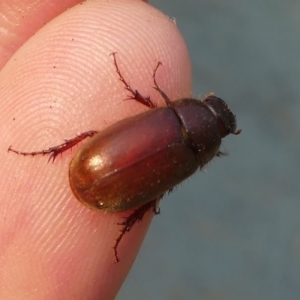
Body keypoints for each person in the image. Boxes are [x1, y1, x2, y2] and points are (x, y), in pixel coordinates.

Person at [1, 0, 191, 298]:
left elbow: (143, 100)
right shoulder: (189, 162)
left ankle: (45, 152)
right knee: (152, 196)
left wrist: (128, 85)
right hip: (104, 180)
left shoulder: (167, 115)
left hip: (97, 168)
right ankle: (46, 154)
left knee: (94, 136)